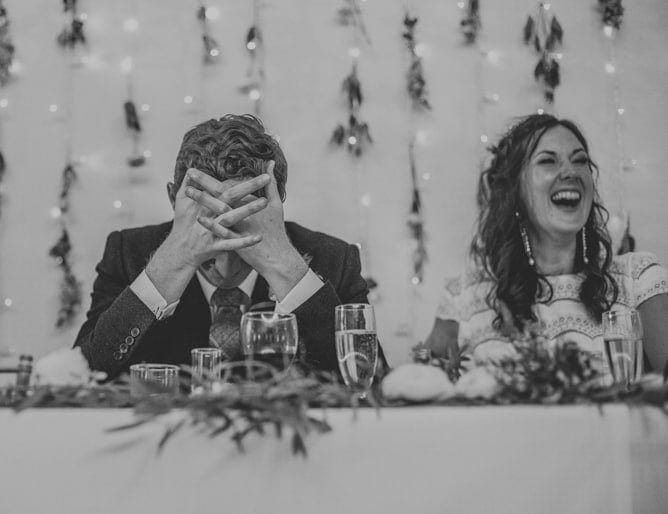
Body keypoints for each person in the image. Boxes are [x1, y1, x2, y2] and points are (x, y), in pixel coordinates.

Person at [75, 114, 382, 380]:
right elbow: (82, 375)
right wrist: (171, 263)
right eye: (209, 223)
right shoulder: (128, 253)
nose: (225, 256)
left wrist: (287, 270)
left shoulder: (332, 259)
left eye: (243, 221)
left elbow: (372, 381)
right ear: (174, 200)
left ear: (276, 207)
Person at [426, 113, 668, 374]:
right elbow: (420, 395)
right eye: (548, 161)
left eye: (580, 161)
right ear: (514, 191)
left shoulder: (637, 279)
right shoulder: (465, 295)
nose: (570, 172)